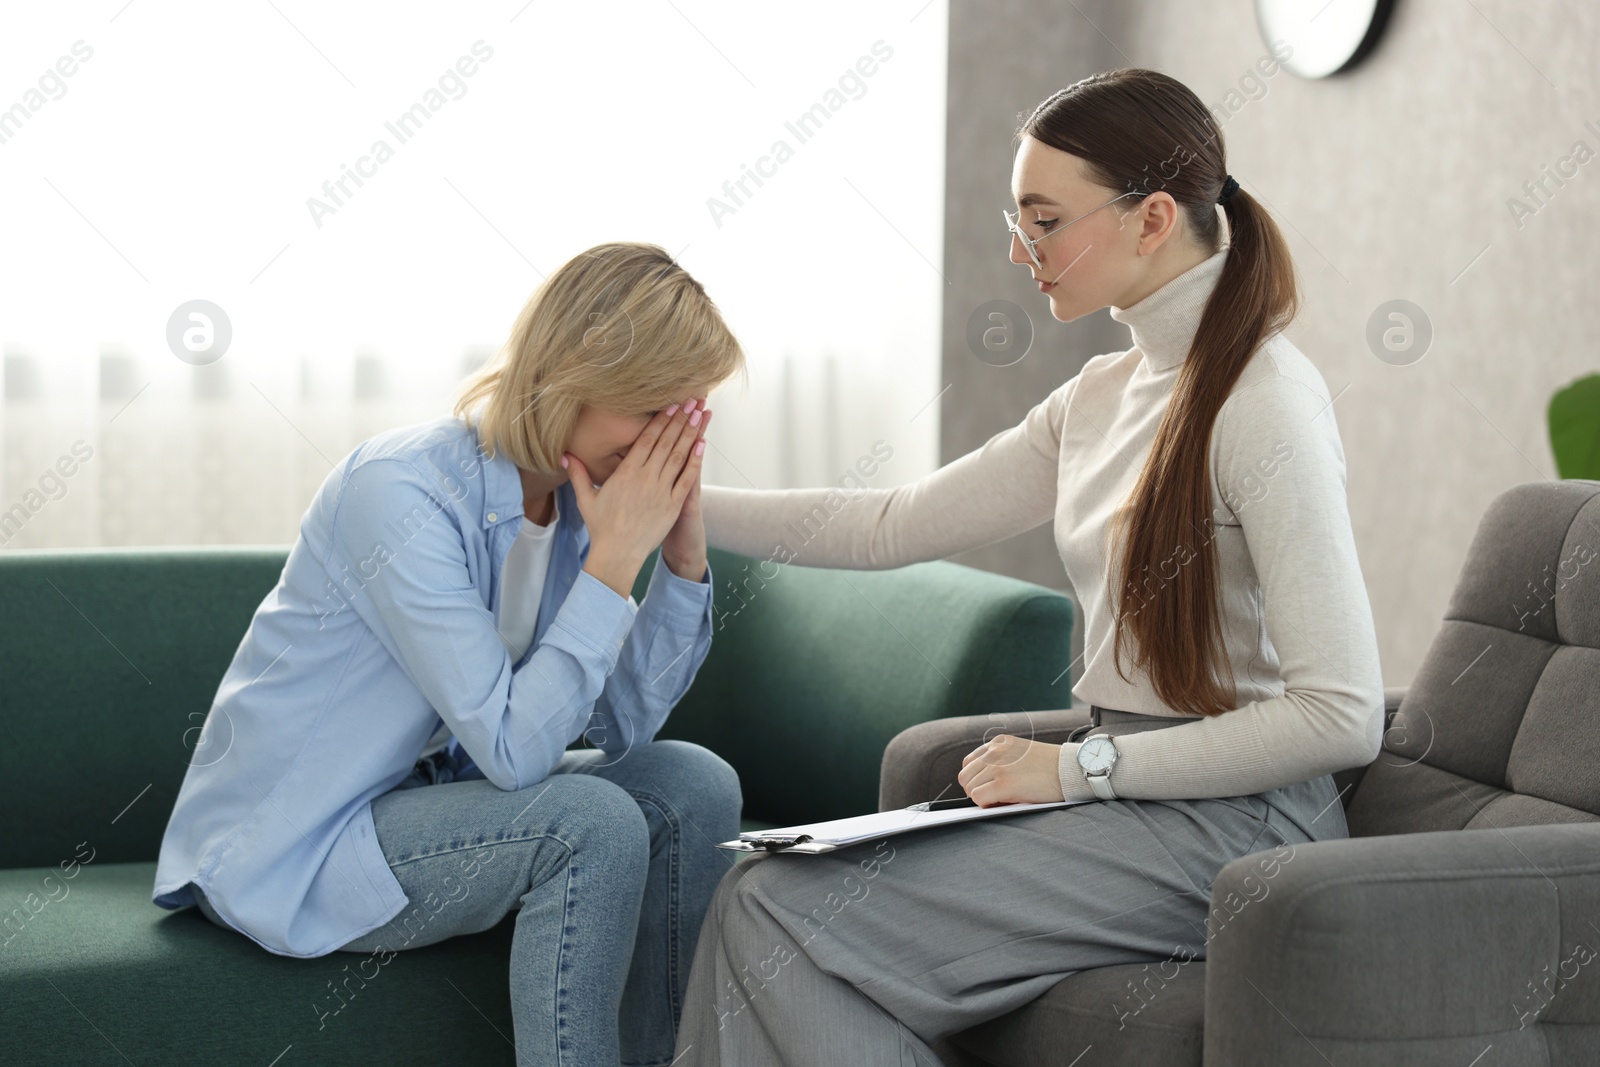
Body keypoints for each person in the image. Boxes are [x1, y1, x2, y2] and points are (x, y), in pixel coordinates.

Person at [671, 68, 1384, 1065]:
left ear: (1154, 219)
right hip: (1140, 803)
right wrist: (676, 501)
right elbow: (888, 521)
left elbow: (1339, 712)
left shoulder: (1267, 402)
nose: (1018, 250)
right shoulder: (1101, 393)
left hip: (1235, 832)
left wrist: (1082, 767)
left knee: (778, 911)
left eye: (1043, 220)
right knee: (766, 900)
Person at [150, 241, 750, 1067]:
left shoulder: (579, 507)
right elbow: (512, 751)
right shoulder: (399, 492)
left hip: (443, 803)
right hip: (307, 841)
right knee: (591, 823)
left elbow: (618, 727)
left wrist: (679, 562)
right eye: (651, 411)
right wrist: (614, 565)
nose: (665, 445)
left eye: (685, 416)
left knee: (694, 782)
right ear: (571, 373)